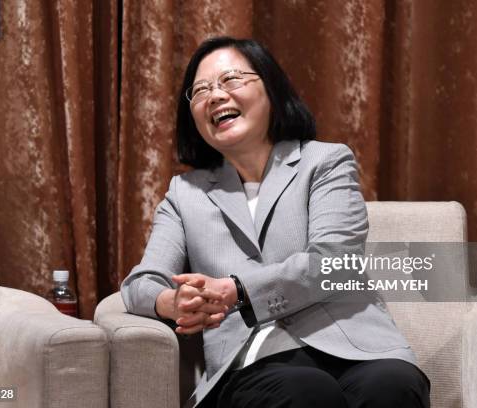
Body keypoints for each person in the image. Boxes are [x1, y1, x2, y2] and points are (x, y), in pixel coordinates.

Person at [121, 36, 430, 408]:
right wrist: (175, 302)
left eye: (231, 79)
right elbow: (141, 284)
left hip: (353, 346)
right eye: (201, 90)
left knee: (392, 385)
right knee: (305, 392)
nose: (215, 95)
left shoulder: (325, 163)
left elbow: (333, 262)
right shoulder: (185, 194)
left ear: (271, 88)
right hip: (253, 361)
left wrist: (238, 290)